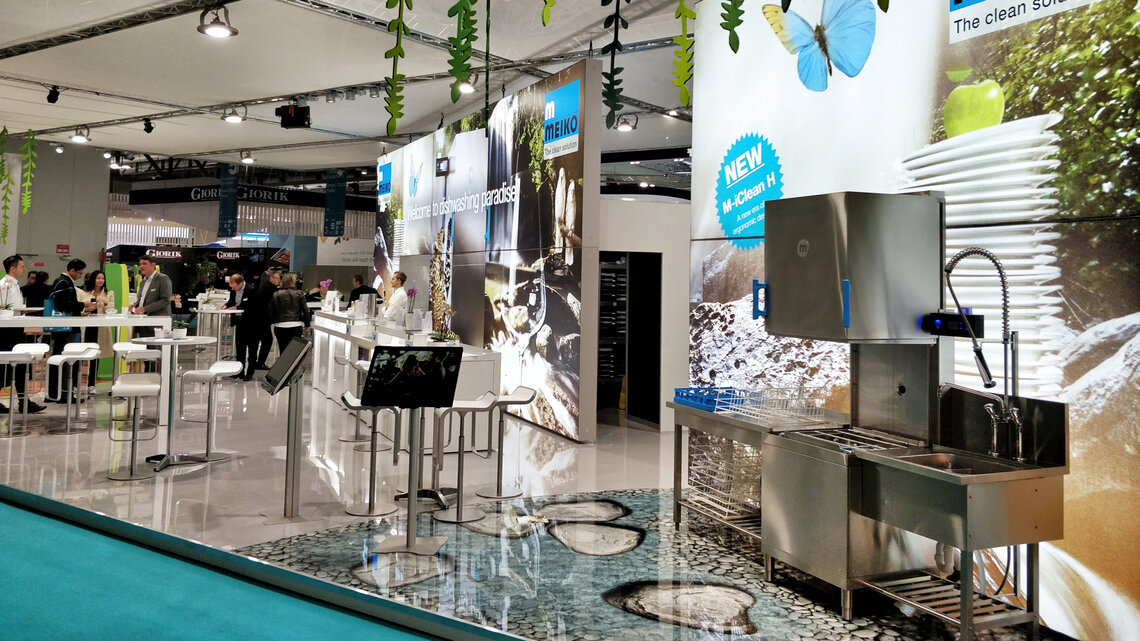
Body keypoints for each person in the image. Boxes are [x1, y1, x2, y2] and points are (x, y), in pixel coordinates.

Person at [0, 255, 45, 414]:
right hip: (8, 332)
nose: (24, 269)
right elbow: (5, 310)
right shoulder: (6, 285)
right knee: (9, 366)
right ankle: (24, 402)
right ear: (13, 268)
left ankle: (24, 401)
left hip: (15, 329)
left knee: (20, 365)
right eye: (22, 266)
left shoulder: (13, 284)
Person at [47, 259, 96, 400]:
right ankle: (62, 393)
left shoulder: (64, 282)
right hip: (65, 327)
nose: (80, 276)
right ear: (72, 270)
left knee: (60, 358)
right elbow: (63, 304)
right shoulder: (63, 282)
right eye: (79, 273)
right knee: (64, 358)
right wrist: (82, 305)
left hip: (65, 326)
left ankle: (56, 392)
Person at [78, 270, 115, 388]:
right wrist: (86, 309)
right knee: (83, 353)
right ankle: (77, 384)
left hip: (100, 328)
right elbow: (80, 310)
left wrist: (105, 303)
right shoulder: (84, 293)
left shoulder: (109, 293)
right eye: (98, 278)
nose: (100, 281)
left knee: (97, 355)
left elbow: (112, 310)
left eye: (102, 278)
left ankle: (91, 384)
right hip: (87, 327)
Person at [267, 274, 310, 361]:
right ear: (293, 282)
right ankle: (293, 368)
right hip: (295, 325)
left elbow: (270, 311)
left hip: (280, 326)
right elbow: (305, 310)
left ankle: (283, 368)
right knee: (295, 352)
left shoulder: (275, 294)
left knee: (282, 350)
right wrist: (307, 325)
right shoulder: (299, 293)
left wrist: (273, 321)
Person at [130, 255, 172, 338]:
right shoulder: (142, 282)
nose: (141, 266)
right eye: (140, 264)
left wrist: (145, 309)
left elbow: (165, 301)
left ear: (153, 265)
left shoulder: (163, 279)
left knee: (157, 346)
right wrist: (135, 306)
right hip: (143, 323)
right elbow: (142, 299)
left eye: (144, 264)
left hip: (157, 324)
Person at [222, 274, 254, 380]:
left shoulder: (251, 290)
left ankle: (250, 373)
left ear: (240, 284)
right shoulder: (233, 290)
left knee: (252, 348)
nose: (233, 289)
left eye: (234, 287)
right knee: (240, 348)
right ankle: (239, 371)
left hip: (250, 323)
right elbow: (232, 301)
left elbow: (250, 305)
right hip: (239, 321)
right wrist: (226, 305)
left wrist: (236, 307)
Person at [250, 269, 281, 370]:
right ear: (271, 278)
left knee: (261, 340)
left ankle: (256, 362)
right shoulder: (271, 288)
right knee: (267, 340)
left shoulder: (266, 286)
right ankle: (260, 363)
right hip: (262, 318)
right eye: (277, 278)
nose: (279, 280)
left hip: (259, 318)